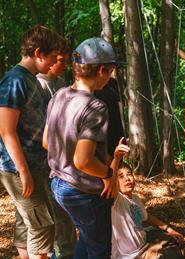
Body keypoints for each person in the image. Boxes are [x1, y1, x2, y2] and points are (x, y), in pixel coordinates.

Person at [43, 37, 128, 258]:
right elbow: (83, 161)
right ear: (102, 70)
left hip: (59, 186)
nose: (110, 77)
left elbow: (46, 142)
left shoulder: (60, 94)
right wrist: (109, 174)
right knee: (99, 248)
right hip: (84, 192)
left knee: (88, 238)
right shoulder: (94, 106)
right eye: (110, 71)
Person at [0, 25, 66, 259]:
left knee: (31, 221)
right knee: (42, 224)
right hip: (18, 167)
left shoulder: (30, 79)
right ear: (38, 52)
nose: (53, 64)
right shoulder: (14, 80)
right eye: (51, 58)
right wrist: (23, 170)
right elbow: (6, 130)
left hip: (35, 165)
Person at [37, 50, 77, 259]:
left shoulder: (61, 83)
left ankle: (65, 251)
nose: (64, 65)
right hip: (42, 156)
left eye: (66, 61)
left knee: (63, 208)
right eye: (60, 60)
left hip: (62, 157)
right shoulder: (37, 84)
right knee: (48, 211)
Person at [112, 165, 185, 258]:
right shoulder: (117, 201)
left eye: (129, 174)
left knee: (175, 240)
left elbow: (146, 217)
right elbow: (109, 180)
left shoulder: (135, 199)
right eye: (121, 176)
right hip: (132, 255)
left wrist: (169, 229)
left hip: (144, 242)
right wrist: (116, 158)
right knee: (166, 256)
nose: (127, 179)